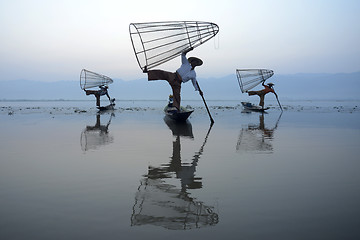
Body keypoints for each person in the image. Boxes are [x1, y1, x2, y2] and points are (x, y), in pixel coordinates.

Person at [143, 47, 203, 112]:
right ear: (191, 62)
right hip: (173, 76)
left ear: (196, 64)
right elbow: (183, 54)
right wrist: (189, 49)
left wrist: (199, 90)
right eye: (194, 61)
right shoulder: (186, 63)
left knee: (177, 96)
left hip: (178, 83)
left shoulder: (193, 74)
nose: (194, 63)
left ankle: (176, 109)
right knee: (162, 73)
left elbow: (194, 83)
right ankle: (147, 71)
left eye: (196, 62)